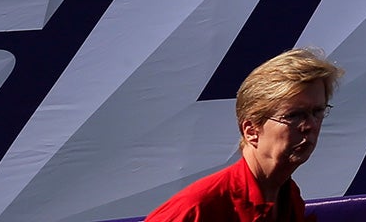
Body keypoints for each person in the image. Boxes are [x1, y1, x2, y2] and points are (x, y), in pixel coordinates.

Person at [145, 48, 343, 222]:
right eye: (293, 115)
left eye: (317, 112)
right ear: (251, 131)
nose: (310, 125)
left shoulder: (287, 196)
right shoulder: (198, 208)